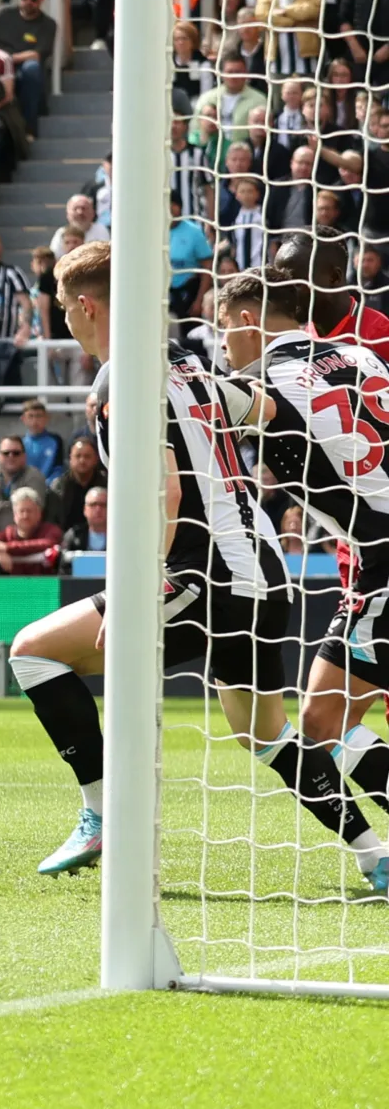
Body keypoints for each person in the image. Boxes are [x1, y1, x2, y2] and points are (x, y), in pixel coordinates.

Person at [7, 247, 383, 888]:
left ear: (87, 305)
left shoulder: (118, 380)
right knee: (267, 735)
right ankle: (375, 852)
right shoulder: (192, 363)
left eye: (66, 307)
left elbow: (168, 491)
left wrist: (136, 586)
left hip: (201, 572)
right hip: (264, 570)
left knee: (33, 653)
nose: (65, 318)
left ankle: (103, 814)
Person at [210, 263, 389, 888]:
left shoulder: (258, 382)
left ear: (249, 320)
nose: (222, 343)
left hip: (383, 557)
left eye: (223, 328)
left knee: (320, 723)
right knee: (324, 717)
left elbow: (217, 409)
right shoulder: (361, 357)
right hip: (377, 557)